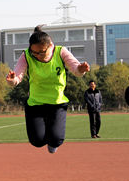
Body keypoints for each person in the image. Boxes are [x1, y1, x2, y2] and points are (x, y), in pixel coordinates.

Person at [6, 25, 90, 153]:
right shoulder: (27, 55)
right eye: (34, 52)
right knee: (37, 141)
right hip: (35, 104)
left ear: (50, 46)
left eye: (41, 52)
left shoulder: (60, 52)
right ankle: (44, 130)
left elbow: (76, 69)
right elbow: (17, 77)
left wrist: (81, 70)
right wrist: (12, 80)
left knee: (56, 139)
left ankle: (53, 140)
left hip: (57, 103)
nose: (37, 55)